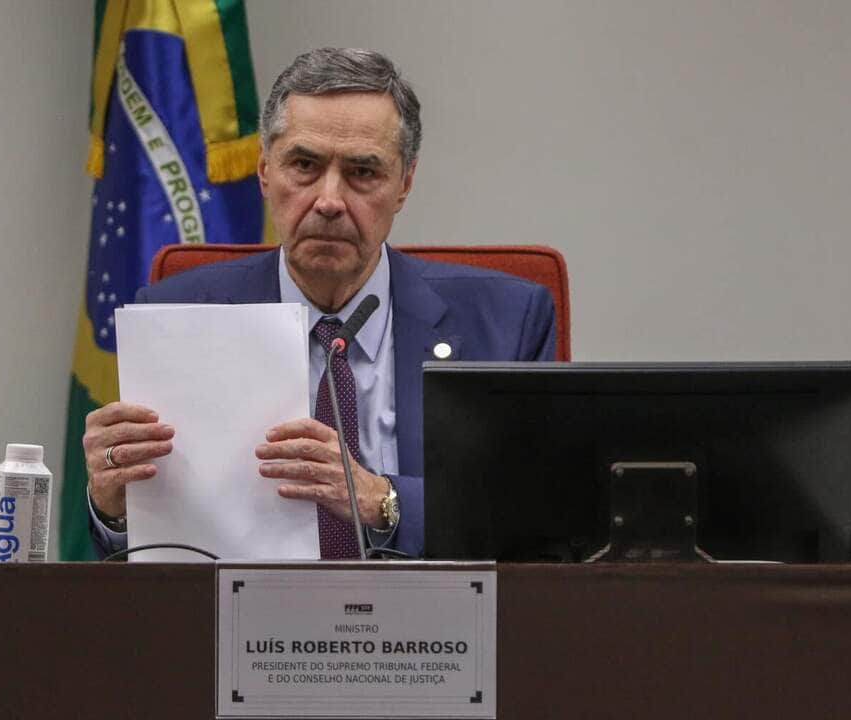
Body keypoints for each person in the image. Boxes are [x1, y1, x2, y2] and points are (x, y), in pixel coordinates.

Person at [83, 47, 556, 559]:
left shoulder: (506, 322)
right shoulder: (177, 314)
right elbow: (152, 553)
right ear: (265, 171)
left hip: (436, 626)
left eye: (363, 172)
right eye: (304, 165)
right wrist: (113, 506)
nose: (329, 200)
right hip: (243, 624)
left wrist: (382, 499)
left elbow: (536, 517)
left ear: (405, 184)